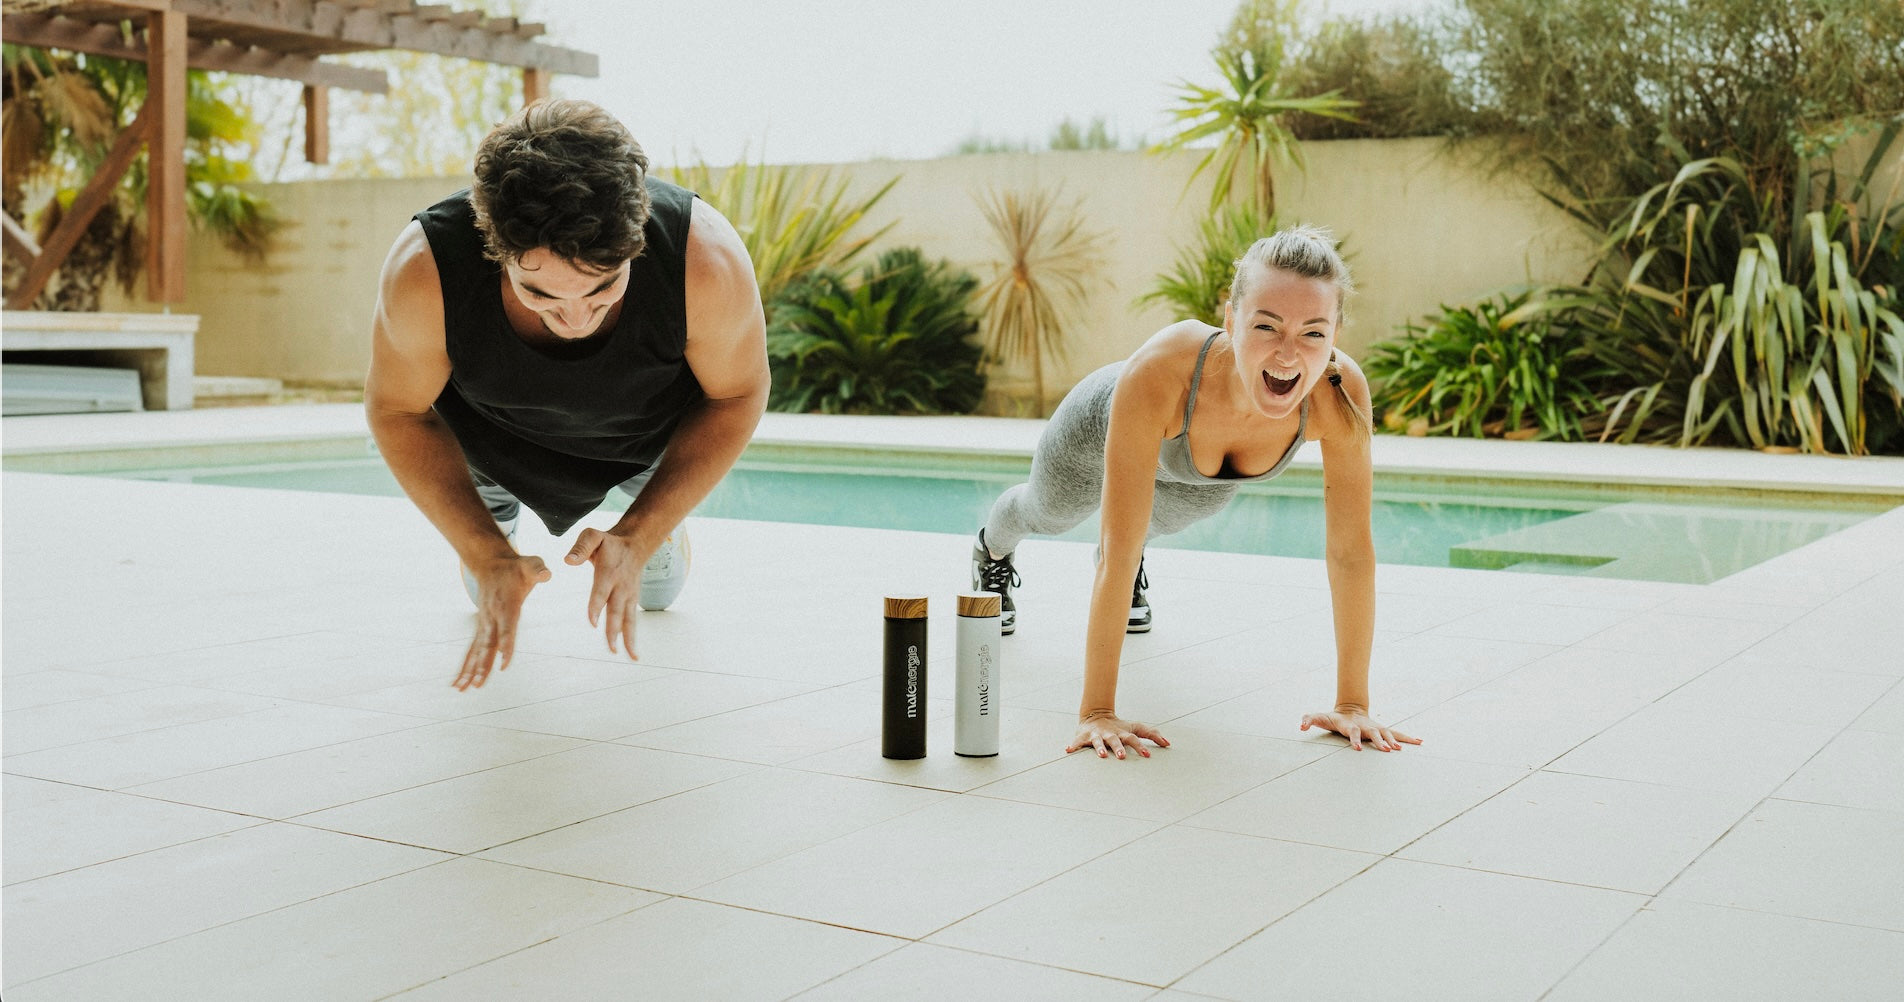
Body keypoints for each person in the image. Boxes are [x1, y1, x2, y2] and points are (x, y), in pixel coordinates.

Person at [970, 225, 1419, 759]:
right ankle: (990, 548)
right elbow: (1115, 548)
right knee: (1048, 512)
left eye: (1312, 333)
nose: (1287, 354)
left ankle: (1134, 566)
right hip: (1097, 428)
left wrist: (1352, 703)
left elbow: (1350, 551)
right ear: (1231, 319)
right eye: (1266, 326)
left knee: (1160, 521)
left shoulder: (1338, 393)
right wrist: (1097, 714)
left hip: (1199, 472)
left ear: (1336, 333)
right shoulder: (1163, 371)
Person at [366, 99, 769, 691]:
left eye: (603, 288)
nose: (575, 320)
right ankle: (496, 526)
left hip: (644, 439)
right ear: (493, 247)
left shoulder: (703, 258)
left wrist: (639, 534)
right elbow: (398, 410)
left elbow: (736, 395)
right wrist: (484, 553)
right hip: (489, 438)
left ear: (637, 241)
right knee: (484, 586)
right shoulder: (426, 269)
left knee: (657, 594)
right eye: (541, 295)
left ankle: (653, 519)